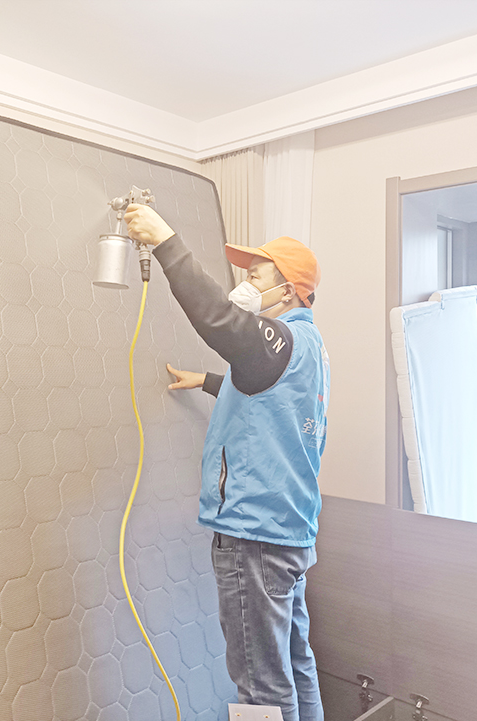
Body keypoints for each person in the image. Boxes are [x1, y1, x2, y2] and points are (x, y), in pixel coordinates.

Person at [124, 204, 330, 721]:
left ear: (288, 291)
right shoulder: (308, 345)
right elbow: (277, 404)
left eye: (256, 276)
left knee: (260, 684)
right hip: (288, 532)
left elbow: (218, 318)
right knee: (295, 664)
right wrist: (212, 382)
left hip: (254, 534)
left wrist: (165, 241)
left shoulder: (277, 341)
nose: (245, 284)